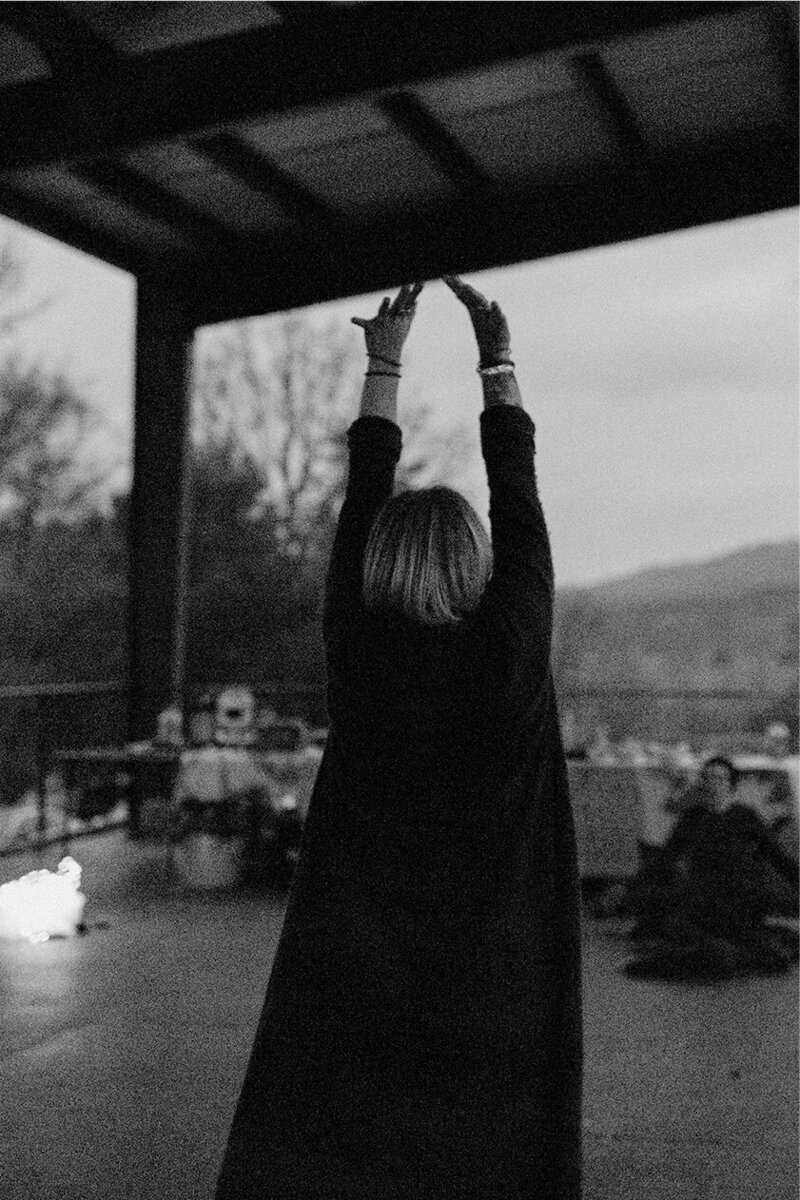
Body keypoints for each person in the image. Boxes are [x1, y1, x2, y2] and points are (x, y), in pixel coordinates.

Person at [215, 278, 583, 1200]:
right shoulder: (508, 653)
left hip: (364, 951)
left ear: (378, 562)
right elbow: (522, 508)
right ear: (478, 567)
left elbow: (360, 496)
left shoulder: (360, 649)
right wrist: (497, 364)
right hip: (492, 953)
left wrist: (383, 365)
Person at [626, 755, 799, 979]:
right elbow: (666, 858)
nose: (713, 784)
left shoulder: (746, 817)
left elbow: (777, 857)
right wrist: (635, 887)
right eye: (707, 778)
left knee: (768, 952)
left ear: (731, 784)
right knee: (714, 951)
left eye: (719, 778)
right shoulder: (692, 818)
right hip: (704, 897)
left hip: (742, 898)